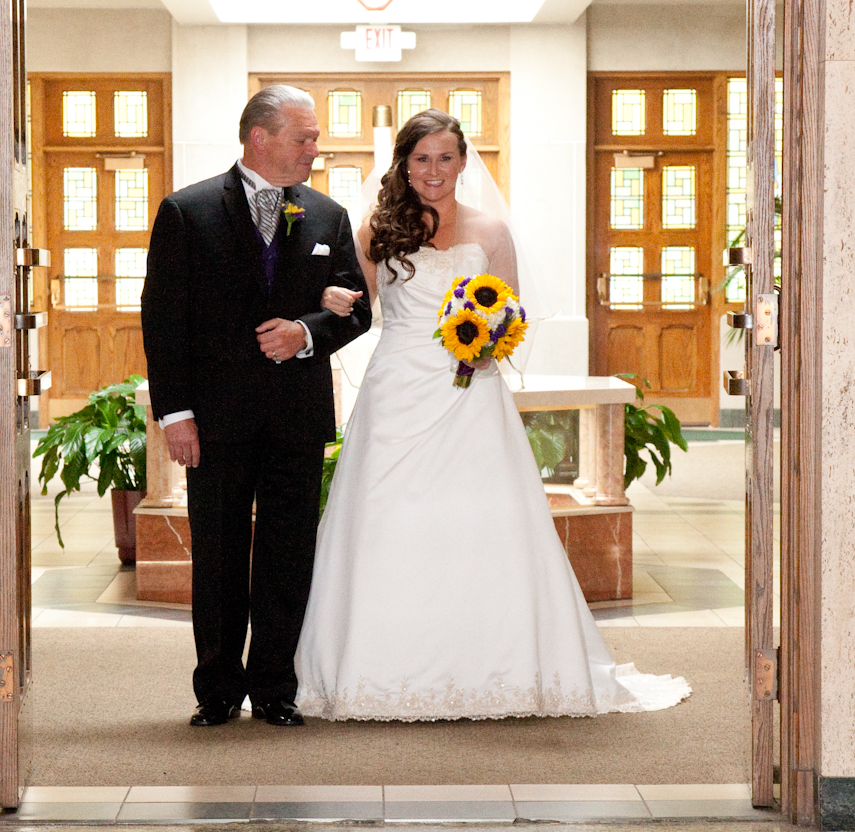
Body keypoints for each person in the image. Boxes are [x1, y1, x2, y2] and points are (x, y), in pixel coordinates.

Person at [294, 109, 689, 721]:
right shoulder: (378, 227)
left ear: (462, 162)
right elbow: (356, 306)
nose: (434, 170)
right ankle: (373, 666)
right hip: (397, 391)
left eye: (445, 158)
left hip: (470, 393)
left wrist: (487, 346)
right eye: (422, 158)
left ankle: (494, 664)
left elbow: (509, 312)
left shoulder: (491, 230)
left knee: (482, 518)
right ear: (404, 163)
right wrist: (327, 297)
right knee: (386, 516)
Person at [141, 85, 372, 728]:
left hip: (296, 416)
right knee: (217, 555)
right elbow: (163, 320)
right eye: (305, 137)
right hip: (215, 420)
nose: (315, 148)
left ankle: (275, 687)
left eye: (315, 137)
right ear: (259, 137)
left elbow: (356, 310)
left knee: (288, 553)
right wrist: (176, 414)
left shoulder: (327, 216)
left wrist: (306, 333)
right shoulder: (187, 211)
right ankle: (217, 689)